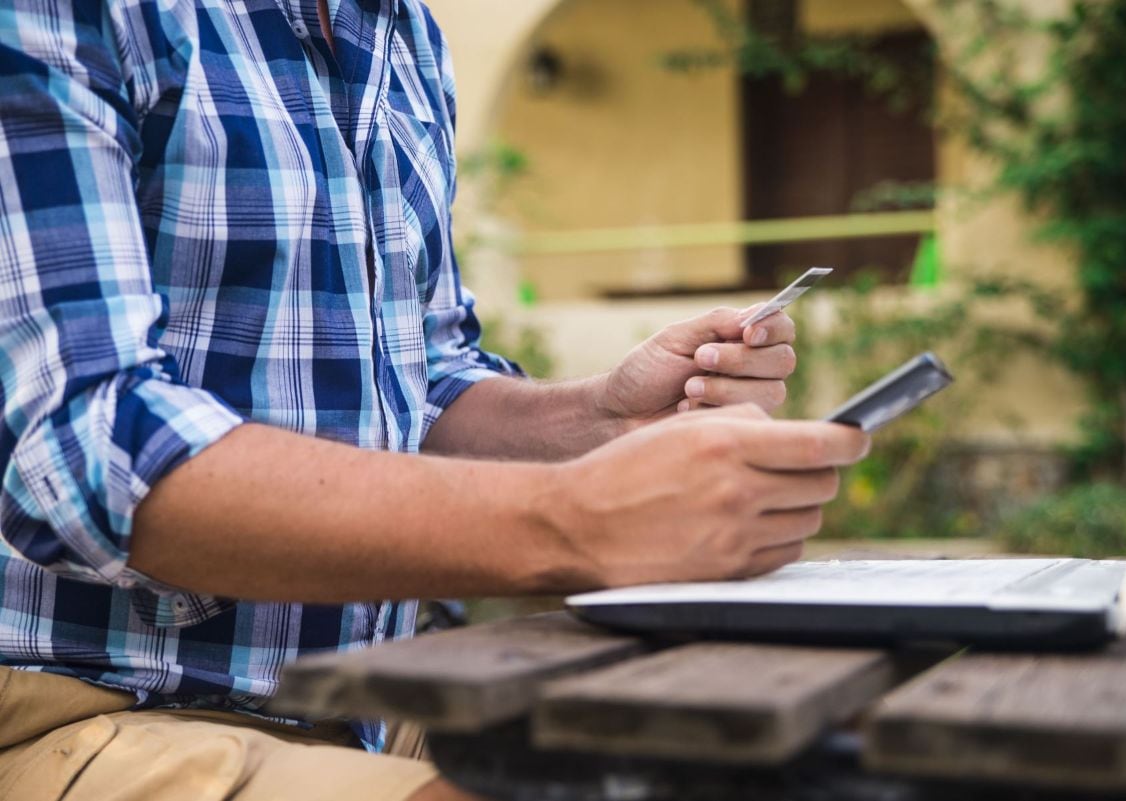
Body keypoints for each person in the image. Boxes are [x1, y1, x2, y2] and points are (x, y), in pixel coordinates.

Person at [0, 1, 869, 799]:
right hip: (80, 706)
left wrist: (608, 421)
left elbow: (420, 384)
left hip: (365, 701)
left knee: (786, 767)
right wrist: (574, 519)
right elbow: (81, 453)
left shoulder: (402, 32)